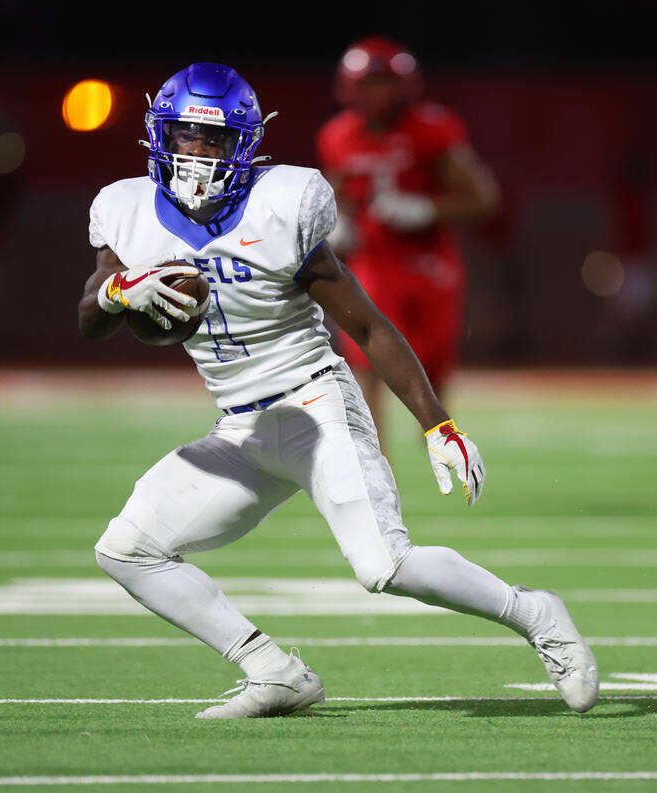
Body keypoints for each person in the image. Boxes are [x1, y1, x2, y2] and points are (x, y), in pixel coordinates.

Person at [78, 62, 597, 719]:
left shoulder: (279, 205)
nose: (198, 153)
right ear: (160, 136)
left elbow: (369, 326)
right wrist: (115, 291)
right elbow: (90, 318)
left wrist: (438, 424)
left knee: (386, 566)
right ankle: (274, 672)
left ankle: (535, 614)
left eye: (215, 139)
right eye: (186, 135)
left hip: (314, 406)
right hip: (239, 428)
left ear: (244, 145)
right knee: (127, 550)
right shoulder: (126, 211)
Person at [316, 36, 500, 442]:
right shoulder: (338, 136)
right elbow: (335, 195)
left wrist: (427, 209)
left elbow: (484, 199)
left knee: (434, 366)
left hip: (428, 262)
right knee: (365, 362)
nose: (377, 95)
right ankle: (371, 460)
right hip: (371, 262)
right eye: (368, 84)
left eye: (384, 83)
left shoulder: (433, 129)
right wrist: (336, 221)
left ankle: (439, 440)